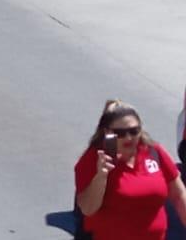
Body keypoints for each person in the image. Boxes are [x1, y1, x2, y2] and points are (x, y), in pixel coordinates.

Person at [75, 99, 186, 240]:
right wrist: (101, 176)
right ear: (107, 132)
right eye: (120, 133)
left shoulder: (153, 152)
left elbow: (179, 195)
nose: (128, 137)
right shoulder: (93, 159)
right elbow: (87, 208)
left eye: (134, 131)